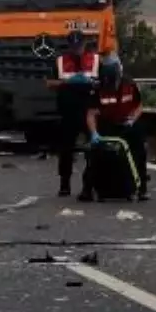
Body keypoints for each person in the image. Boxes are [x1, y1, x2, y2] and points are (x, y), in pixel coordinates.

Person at [86, 59, 148, 201]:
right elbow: (91, 114)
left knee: (139, 149)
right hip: (107, 124)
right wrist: (94, 133)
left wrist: (132, 119)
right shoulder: (98, 88)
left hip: (127, 123)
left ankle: (142, 187)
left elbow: (139, 106)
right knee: (94, 152)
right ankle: (88, 188)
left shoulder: (130, 85)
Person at [49, 29, 100, 197]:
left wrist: (93, 83)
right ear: (69, 45)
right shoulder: (60, 61)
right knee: (66, 150)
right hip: (67, 111)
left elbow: (105, 81)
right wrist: (66, 82)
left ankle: (89, 186)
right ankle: (65, 184)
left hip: (89, 111)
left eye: (79, 45)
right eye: (73, 46)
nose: (76, 49)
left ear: (84, 44)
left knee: (92, 149)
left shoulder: (95, 60)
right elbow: (49, 83)